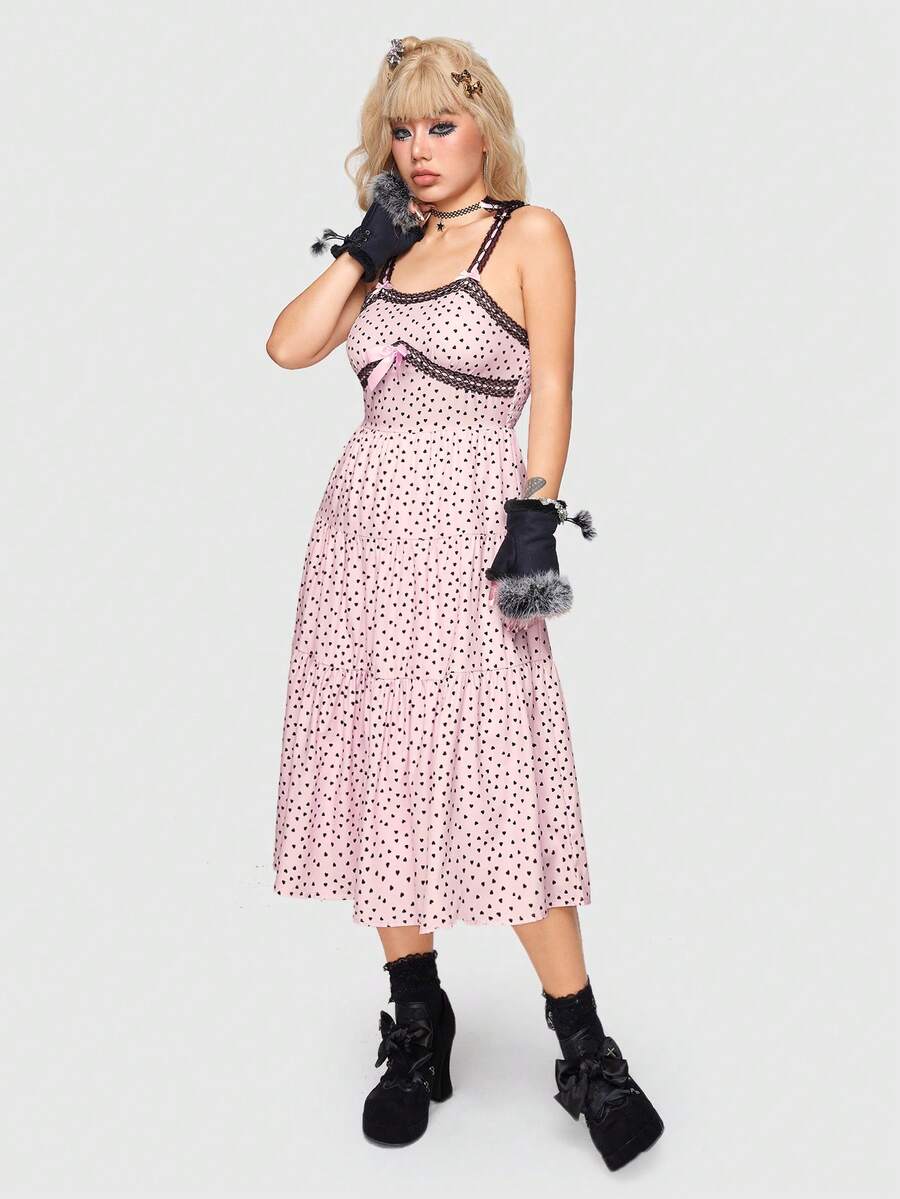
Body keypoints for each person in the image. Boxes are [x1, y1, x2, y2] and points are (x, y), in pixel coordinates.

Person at [266, 35, 663, 1168]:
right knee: (382, 760)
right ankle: (418, 1020)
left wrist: (536, 510)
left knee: (500, 771)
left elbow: (555, 382)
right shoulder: (384, 245)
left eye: (441, 124)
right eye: (402, 129)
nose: (421, 148)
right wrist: (364, 247)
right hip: (359, 545)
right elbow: (288, 346)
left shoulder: (528, 233)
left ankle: (583, 1046)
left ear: (487, 127)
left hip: (467, 540)